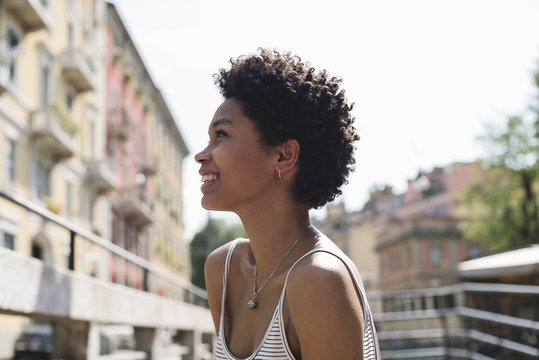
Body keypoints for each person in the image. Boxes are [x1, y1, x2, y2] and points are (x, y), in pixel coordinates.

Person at [195, 49, 380, 360]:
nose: (202, 154)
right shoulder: (223, 270)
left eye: (221, 135)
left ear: (282, 156)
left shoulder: (319, 279)